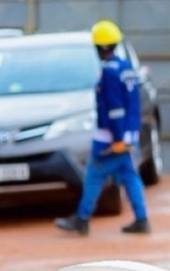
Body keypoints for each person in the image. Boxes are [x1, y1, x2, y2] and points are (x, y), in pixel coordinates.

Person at [56, 20, 151, 236]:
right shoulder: (126, 68)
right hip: (129, 134)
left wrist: (117, 139)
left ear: (99, 47)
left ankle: (81, 219)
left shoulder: (108, 72)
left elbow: (115, 109)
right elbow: (133, 105)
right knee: (129, 176)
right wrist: (128, 137)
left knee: (94, 175)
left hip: (110, 137)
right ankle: (142, 219)